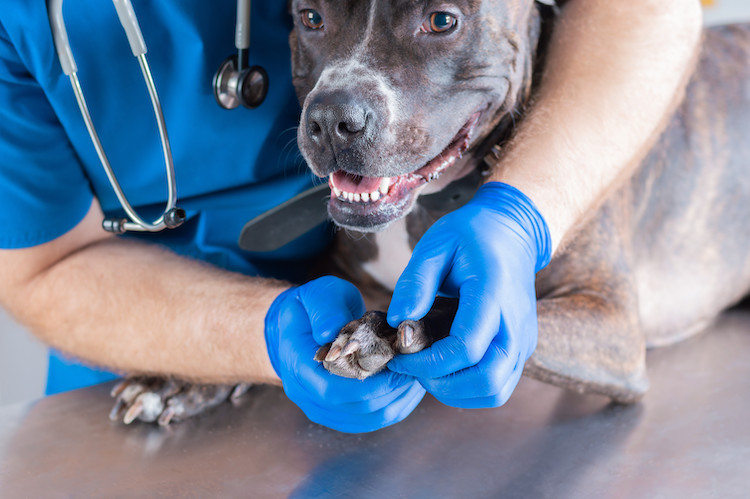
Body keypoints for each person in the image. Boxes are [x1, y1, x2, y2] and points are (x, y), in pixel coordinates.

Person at [0, 1, 702, 432]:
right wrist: (252, 344)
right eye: (309, 17)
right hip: (133, 366)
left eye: (439, 19)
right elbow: (41, 267)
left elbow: (647, 8)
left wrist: (523, 212)